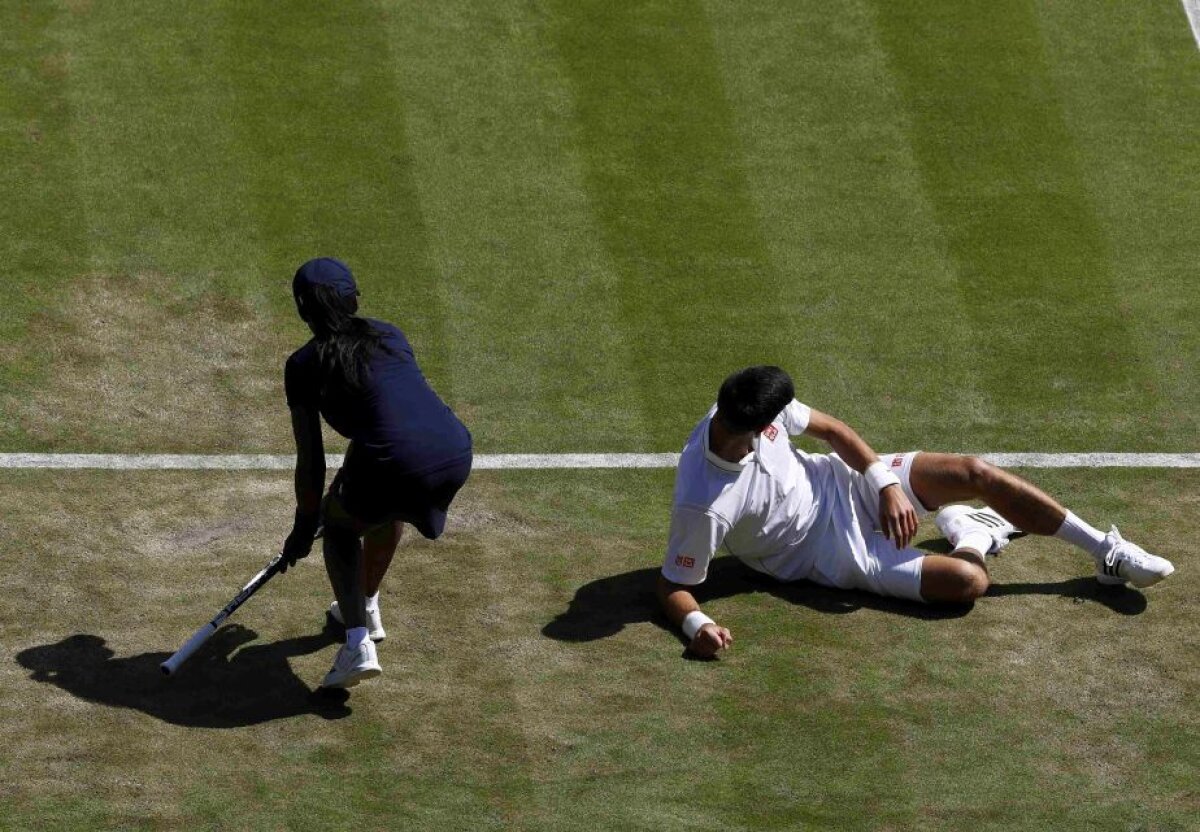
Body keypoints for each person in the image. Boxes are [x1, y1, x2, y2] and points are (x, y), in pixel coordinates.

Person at [658, 366, 1175, 658]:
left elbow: (833, 433)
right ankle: (971, 533)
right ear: (749, 426)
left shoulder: (745, 404)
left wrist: (883, 483)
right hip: (836, 555)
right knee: (967, 582)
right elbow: (671, 584)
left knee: (975, 472)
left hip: (847, 485)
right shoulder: (702, 502)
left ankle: (1106, 552)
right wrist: (695, 624)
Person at [281, 257, 472, 688]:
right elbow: (386, 417)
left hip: (395, 459)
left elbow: (311, 461)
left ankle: (356, 644)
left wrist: (304, 525)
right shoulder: (390, 333)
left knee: (340, 525)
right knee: (388, 507)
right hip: (454, 450)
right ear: (352, 301)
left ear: (303, 310)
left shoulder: (302, 366)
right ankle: (364, 604)